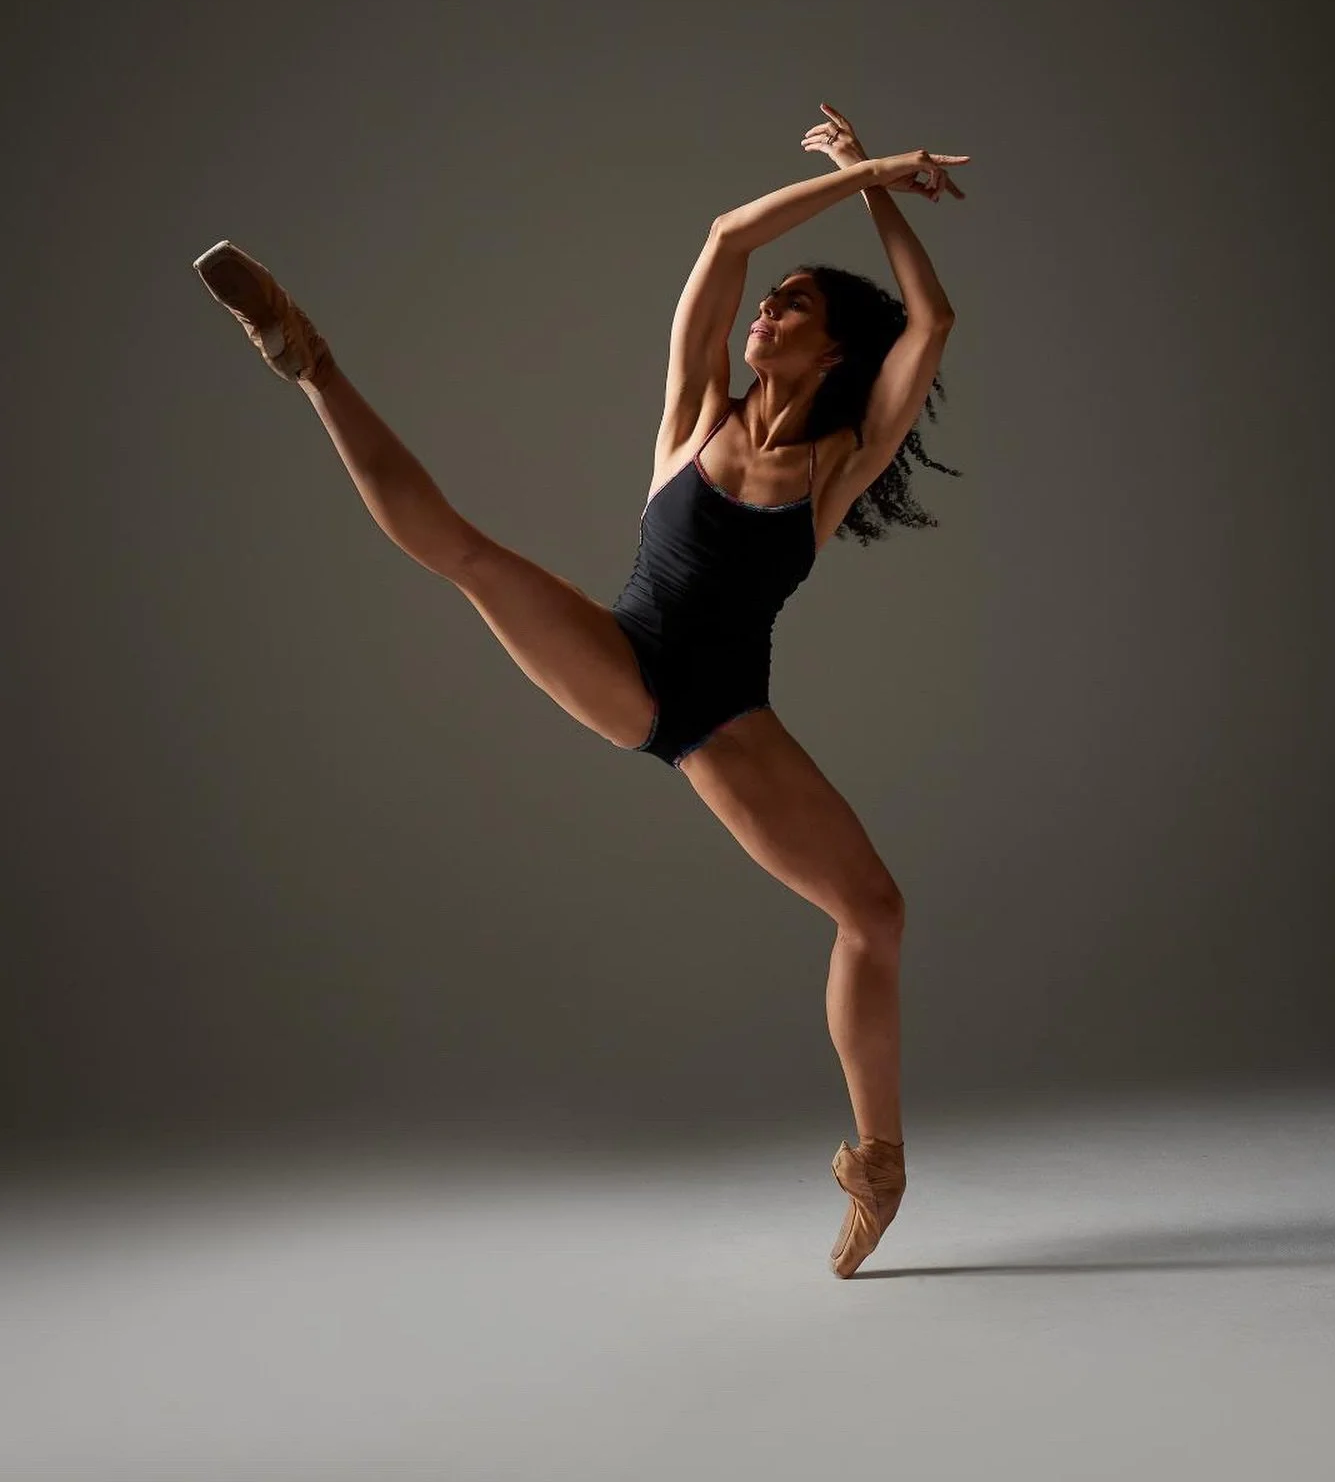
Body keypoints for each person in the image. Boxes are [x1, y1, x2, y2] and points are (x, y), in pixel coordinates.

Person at [192, 102, 969, 1278]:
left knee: (875, 913)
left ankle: (881, 1161)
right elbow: (726, 239)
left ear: (835, 352)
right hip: (628, 660)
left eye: (795, 305)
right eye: (770, 301)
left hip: (727, 713)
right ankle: (310, 359)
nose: (766, 312)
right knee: (469, 555)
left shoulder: (838, 464)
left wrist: (875, 187)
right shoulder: (696, 410)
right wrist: (868, 164)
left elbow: (934, 319)